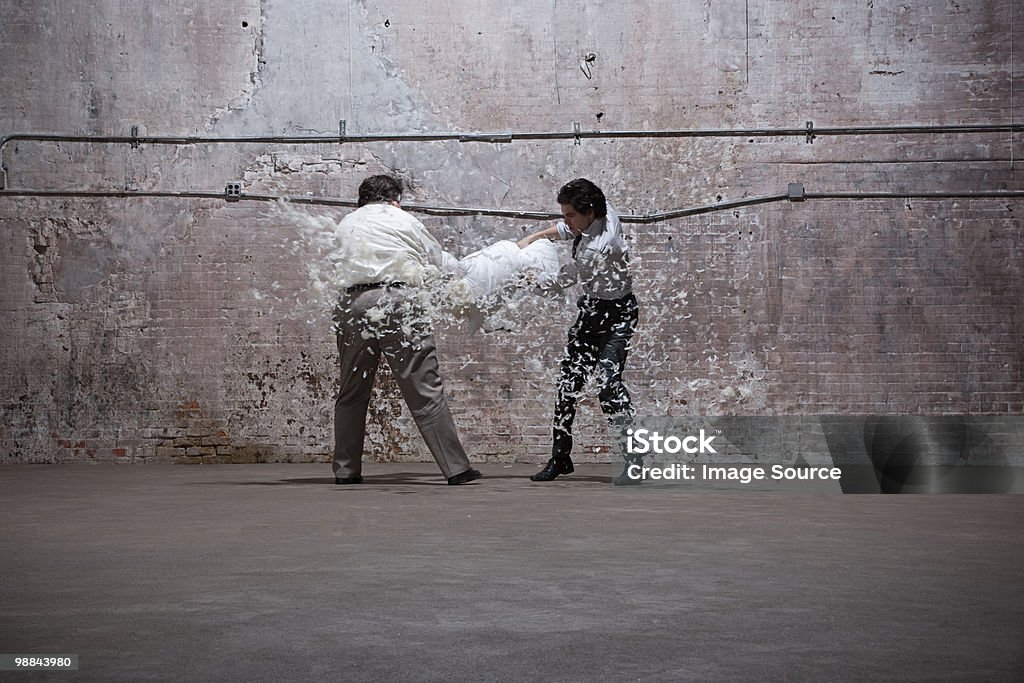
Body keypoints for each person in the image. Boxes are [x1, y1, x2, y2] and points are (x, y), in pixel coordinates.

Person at [331, 174, 482, 485]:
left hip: (353, 303)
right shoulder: (404, 219)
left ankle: (346, 471)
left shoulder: (346, 223)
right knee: (425, 390)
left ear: (362, 201)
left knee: (351, 391)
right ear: (394, 199)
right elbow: (437, 262)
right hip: (398, 301)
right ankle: (456, 469)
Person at [517, 178, 640, 483]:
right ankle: (560, 458)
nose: (566, 219)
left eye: (571, 214)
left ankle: (634, 460)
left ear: (590, 212)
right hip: (592, 311)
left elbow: (556, 283)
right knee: (568, 384)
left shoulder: (596, 250)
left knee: (608, 385)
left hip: (619, 315)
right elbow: (569, 229)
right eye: (565, 213)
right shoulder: (606, 209)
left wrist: (521, 277)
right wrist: (536, 236)